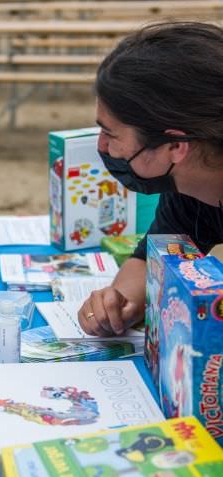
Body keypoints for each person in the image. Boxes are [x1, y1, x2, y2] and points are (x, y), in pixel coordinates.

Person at [78, 21, 223, 337]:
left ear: (174, 146)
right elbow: (151, 261)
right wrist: (116, 305)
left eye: (110, 133)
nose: (102, 146)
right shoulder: (191, 190)